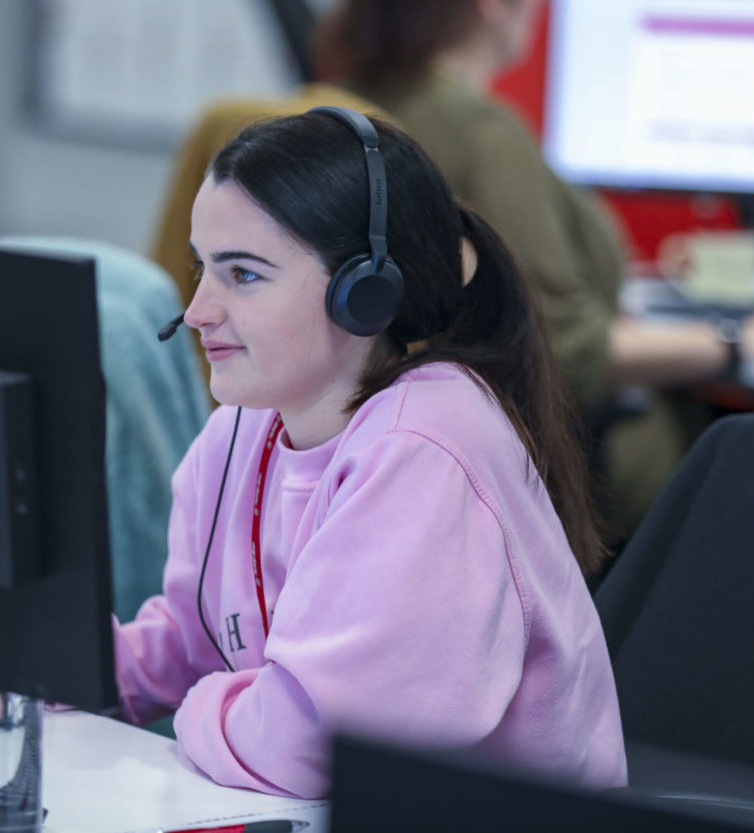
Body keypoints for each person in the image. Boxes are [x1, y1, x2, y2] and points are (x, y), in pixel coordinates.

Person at [109, 109, 625, 798]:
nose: (199, 308)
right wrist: (32, 667)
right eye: (204, 267)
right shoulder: (242, 428)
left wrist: (200, 707)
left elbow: (313, 749)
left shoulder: (426, 446)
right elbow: (192, 637)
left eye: (244, 275)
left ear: (365, 293)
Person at [308, 0, 754, 538]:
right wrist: (741, 338)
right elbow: (566, 348)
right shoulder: (480, 131)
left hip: (402, 454)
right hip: (575, 473)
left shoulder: (353, 105)